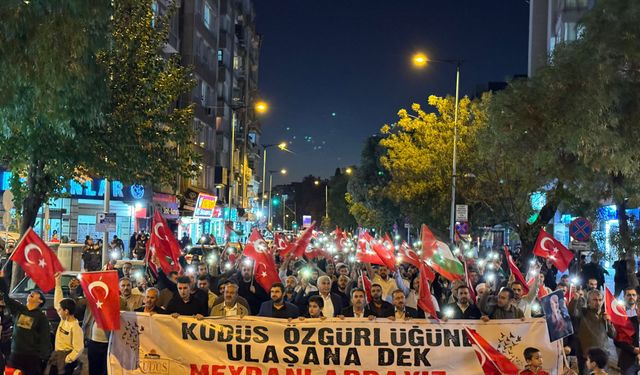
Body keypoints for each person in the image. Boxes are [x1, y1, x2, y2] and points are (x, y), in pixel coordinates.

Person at [0, 270, 51, 375]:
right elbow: (6, 298)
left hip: (31, 357)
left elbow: (45, 338)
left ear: (40, 301)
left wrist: (43, 357)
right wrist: (2, 279)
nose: (31, 293)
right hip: (15, 353)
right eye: (30, 293)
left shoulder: (41, 317)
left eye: (36, 294)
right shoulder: (20, 309)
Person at [569, 289, 616, 374]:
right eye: (594, 300)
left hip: (602, 355)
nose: (598, 302)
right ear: (589, 301)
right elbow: (572, 312)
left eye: (600, 300)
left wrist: (608, 322)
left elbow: (613, 335)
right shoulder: (583, 313)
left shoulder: (604, 315)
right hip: (585, 356)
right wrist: (575, 300)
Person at [48, 273, 83, 375]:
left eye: (60, 310)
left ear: (66, 311)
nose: (58, 311)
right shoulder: (64, 320)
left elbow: (78, 349)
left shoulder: (75, 327)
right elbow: (57, 302)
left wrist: (66, 360)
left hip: (66, 363)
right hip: (57, 356)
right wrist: (57, 283)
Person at [614, 287, 640, 374]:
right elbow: (616, 339)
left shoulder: (637, 313)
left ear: (637, 297)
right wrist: (634, 350)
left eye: (633, 295)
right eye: (629, 295)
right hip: (628, 360)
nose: (631, 297)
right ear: (624, 297)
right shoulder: (620, 314)